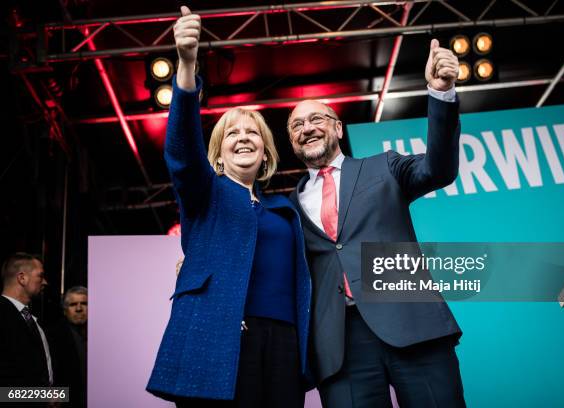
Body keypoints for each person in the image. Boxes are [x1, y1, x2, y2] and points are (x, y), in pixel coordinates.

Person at [146, 6, 311, 407]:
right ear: (217, 154)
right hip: (220, 336)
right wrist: (186, 66)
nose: (243, 137)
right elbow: (183, 152)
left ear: (266, 152)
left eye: (252, 131)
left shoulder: (287, 210)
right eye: (231, 132)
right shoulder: (207, 192)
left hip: (286, 344)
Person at [287, 39, 464, 407]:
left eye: (316, 118)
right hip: (339, 349)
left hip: (413, 325)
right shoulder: (287, 209)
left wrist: (441, 93)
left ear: (337, 128)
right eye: (296, 125)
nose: (306, 128)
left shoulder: (384, 167)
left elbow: (439, 168)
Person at [0, 253, 53, 387]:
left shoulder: (31, 318)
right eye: (40, 276)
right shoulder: (3, 317)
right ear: (22, 278)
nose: (45, 282)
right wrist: (39, 396)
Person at [48, 286, 88, 408]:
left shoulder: (101, 334)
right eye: (73, 304)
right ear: (65, 310)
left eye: (84, 303)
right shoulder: (52, 336)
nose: (79, 308)